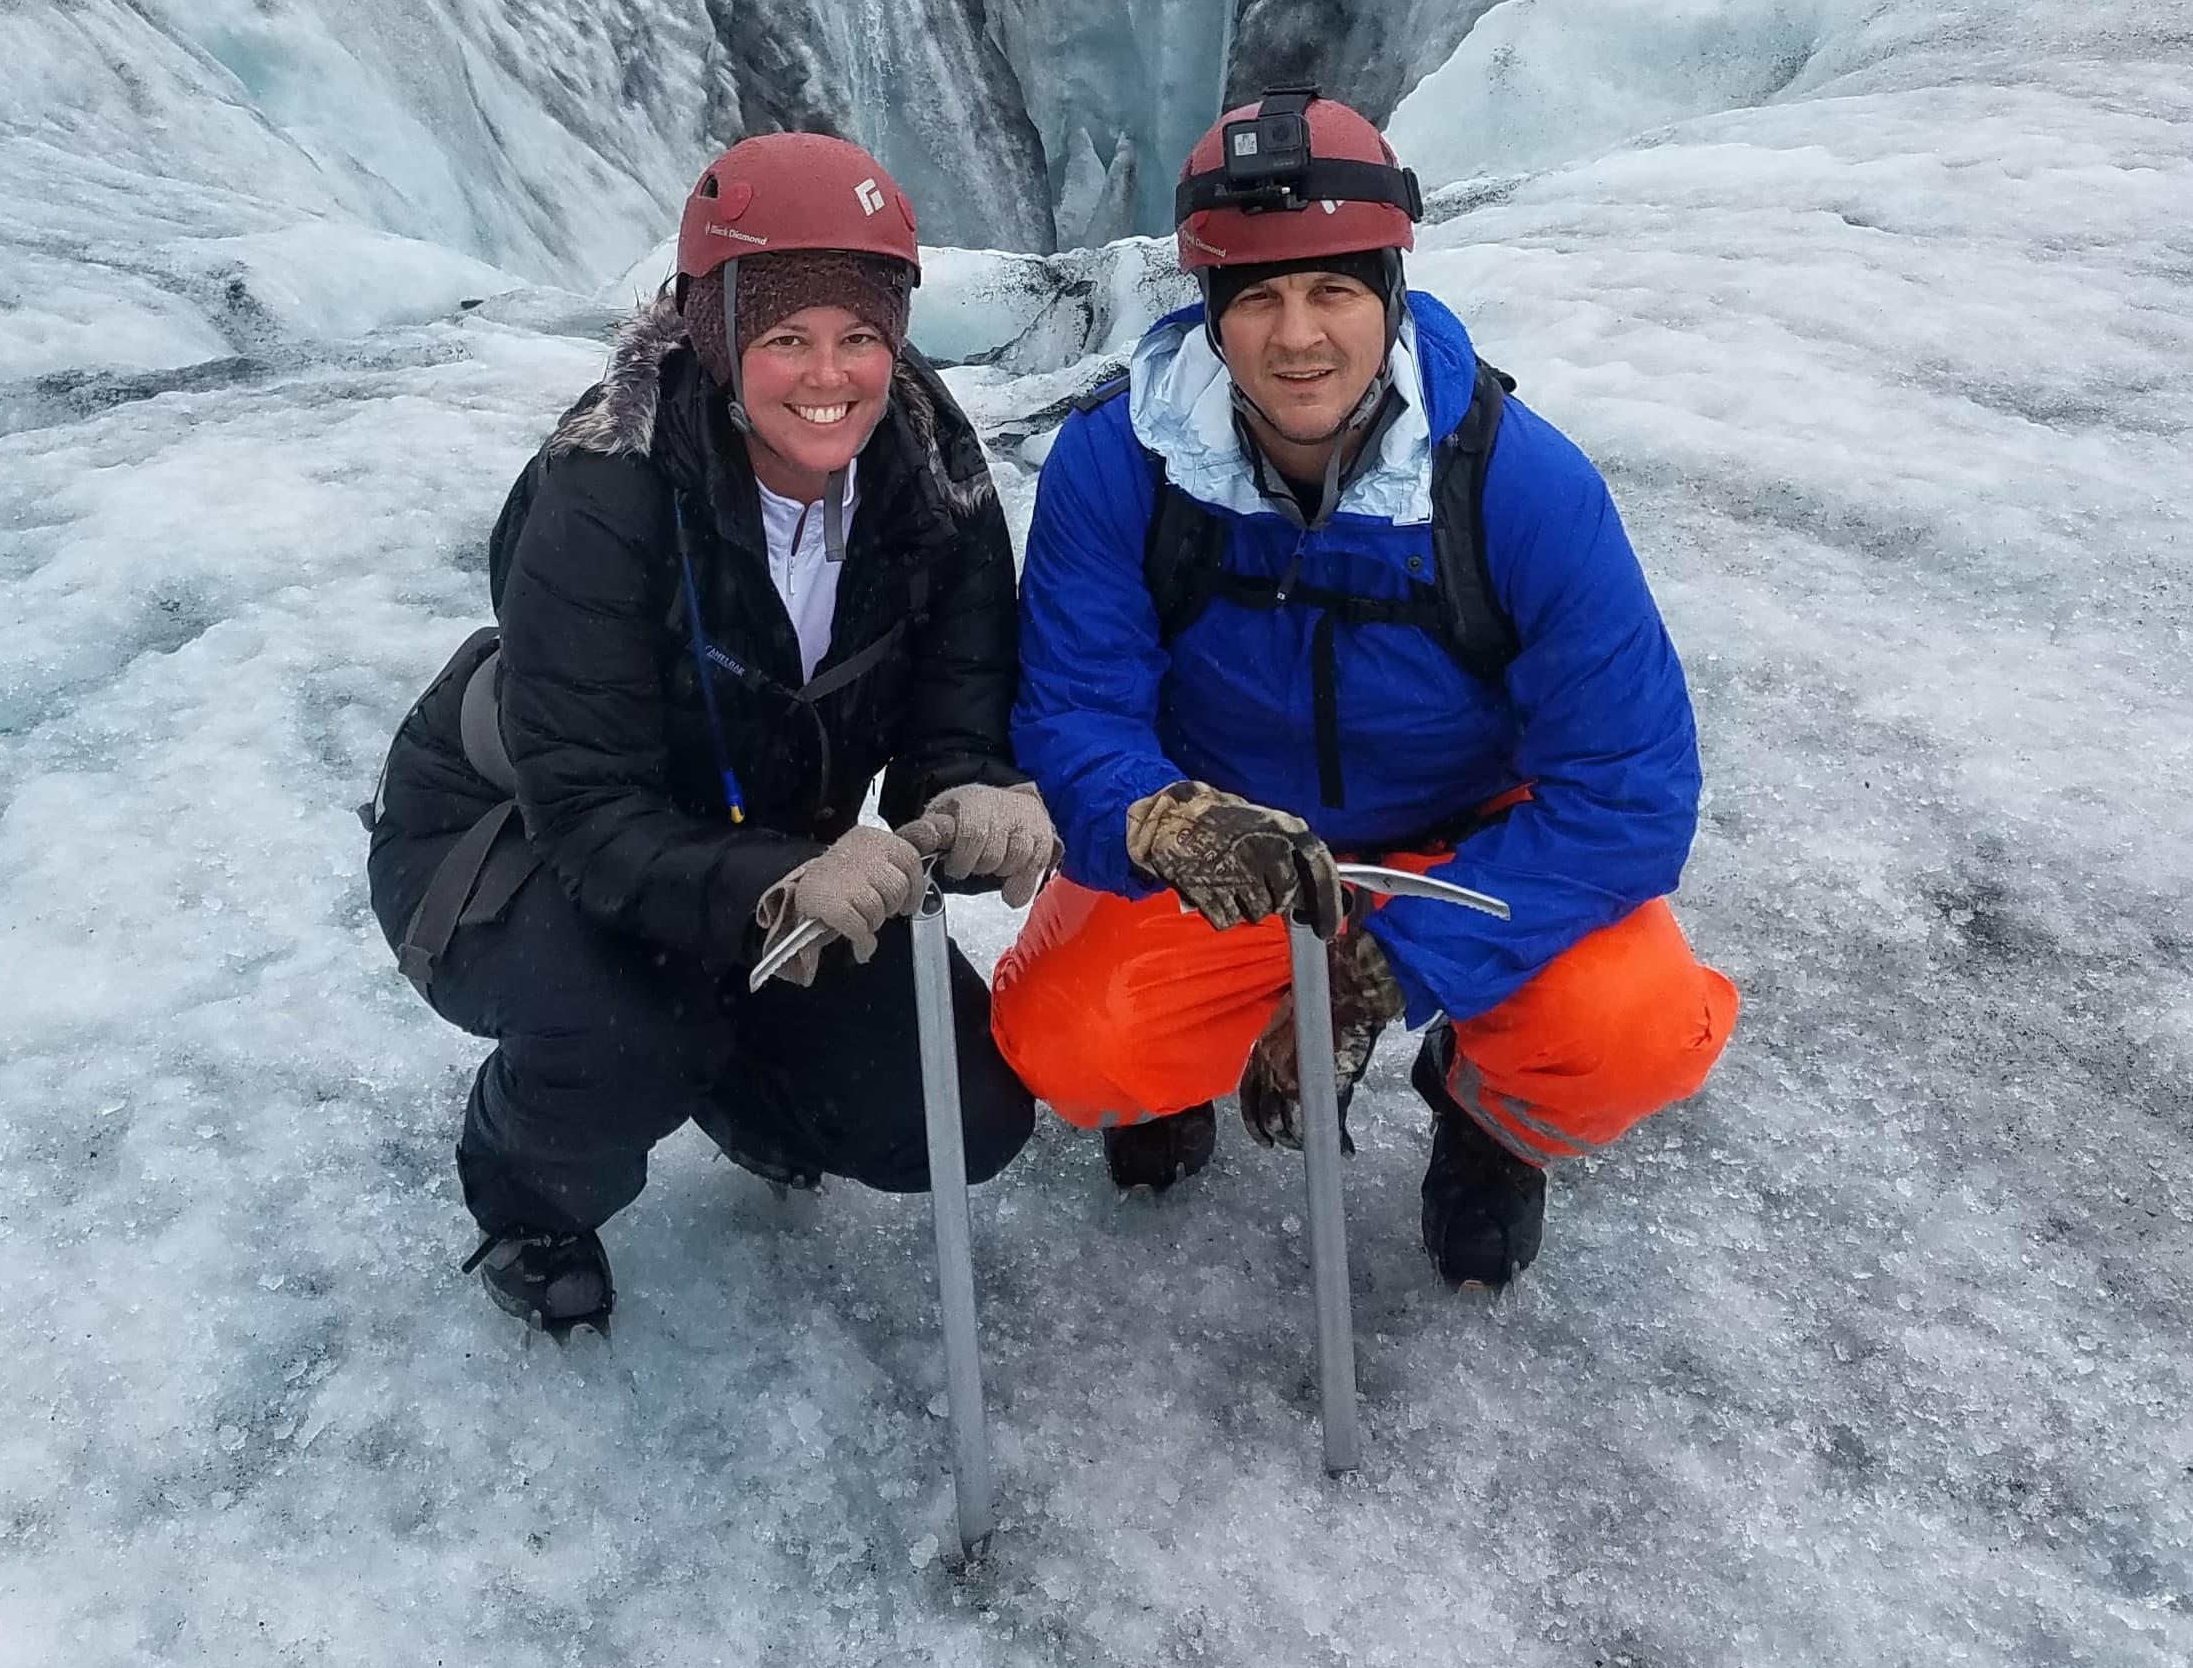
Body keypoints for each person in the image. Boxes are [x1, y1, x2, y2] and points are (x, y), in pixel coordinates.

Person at [993, 90, 1736, 1291]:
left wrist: (1391, 961)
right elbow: (1075, 709)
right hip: (1230, 848)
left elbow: (1630, 793)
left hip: (1468, 849)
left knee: (1630, 1027)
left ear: (1388, 296)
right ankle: (1178, 1076)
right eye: (1259, 299)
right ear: (1212, 317)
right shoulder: (1120, 465)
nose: (1298, 337)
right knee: (1072, 1043)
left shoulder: (1514, 485)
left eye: (1333, 290)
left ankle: (1487, 1114)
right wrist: (1157, 818)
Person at [367, 131, 1053, 1333]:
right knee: (634, 1031)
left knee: (961, 1118)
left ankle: (741, 1081)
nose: (827, 374)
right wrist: (792, 878)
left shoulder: (930, 474)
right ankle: (527, 1195)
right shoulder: (609, 490)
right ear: (716, 333)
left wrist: (972, 791)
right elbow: (587, 818)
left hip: (770, 841)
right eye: (785, 336)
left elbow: (957, 702)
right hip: (508, 839)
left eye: (860, 335)